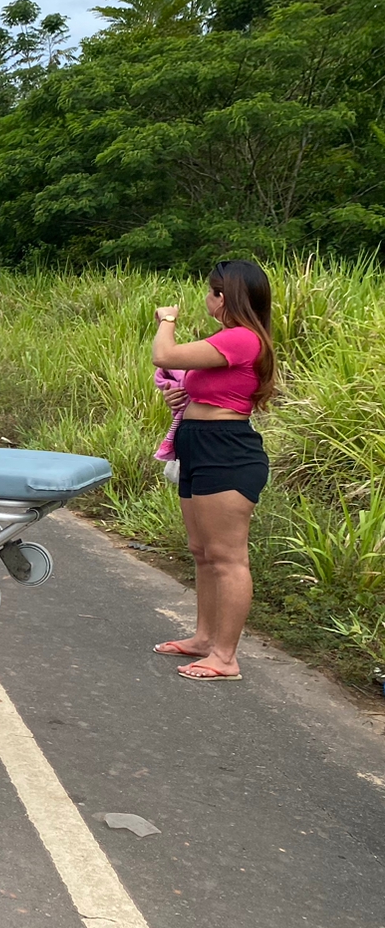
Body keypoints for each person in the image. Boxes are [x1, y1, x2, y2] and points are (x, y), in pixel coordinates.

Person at [151, 259, 276, 682]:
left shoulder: (242, 338)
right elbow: (201, 389)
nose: (206, 298)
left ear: (224, 297)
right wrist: (181, 401)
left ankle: (226, 657)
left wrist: (167, 319)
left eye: (211, 291)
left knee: (228, 558)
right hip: (200, 443)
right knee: (203, 553)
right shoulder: (230, 339)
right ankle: (205, 640)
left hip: (227, 451)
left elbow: (164, 353)